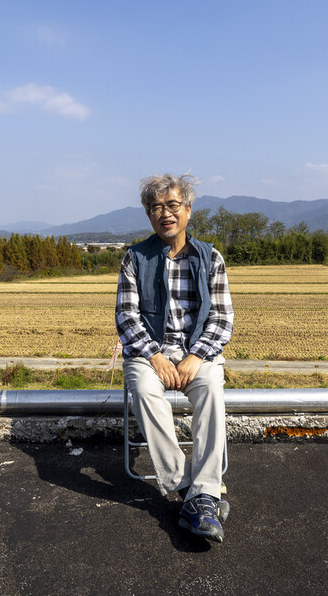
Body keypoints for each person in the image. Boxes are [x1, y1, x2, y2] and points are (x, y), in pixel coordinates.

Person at [116, 173, 234, 543]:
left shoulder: (209, 256)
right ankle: (197, 494)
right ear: (149, 215)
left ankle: (199, 496)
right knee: (144, 390)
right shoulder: (135, 257)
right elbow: (127, 316)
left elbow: (222, 317)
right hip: (149, 351)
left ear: (187, 209)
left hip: (197, 352)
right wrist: (155, 356)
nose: (165, 213)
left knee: (212, 387)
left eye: (172, 205)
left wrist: (196, 355)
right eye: (156, 207)